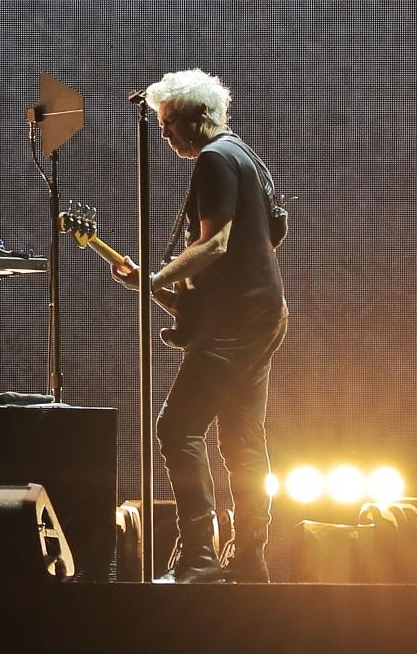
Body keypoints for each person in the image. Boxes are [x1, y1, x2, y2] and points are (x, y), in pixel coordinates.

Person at [112, 69, 287, 584]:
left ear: (199, 118)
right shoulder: (244, 154)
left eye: (168, 123)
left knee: (177, 427)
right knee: (242, 438)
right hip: (261, 313)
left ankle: (199, 558)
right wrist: (154, 285)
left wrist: (157, 279)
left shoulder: (214, 159)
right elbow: (265, 237)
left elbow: (216, 244)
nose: (163, 133)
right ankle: (250, 559)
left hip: (238, 321)